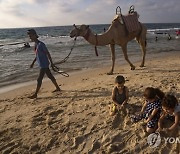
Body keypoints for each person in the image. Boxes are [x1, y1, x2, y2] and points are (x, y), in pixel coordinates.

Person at [27, 29, 60, 99]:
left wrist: (52, 63)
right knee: (50, 76)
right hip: (42, 64)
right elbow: (37, 55)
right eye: (29, 36)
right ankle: (58, 88)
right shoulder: (36, 44)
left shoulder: (41, 44)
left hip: (44, 64)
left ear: (35, 35)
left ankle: (35, 94)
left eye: (30, 35)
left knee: (39, 79)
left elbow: (48, 53)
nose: (30, 37)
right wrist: (33, 63)